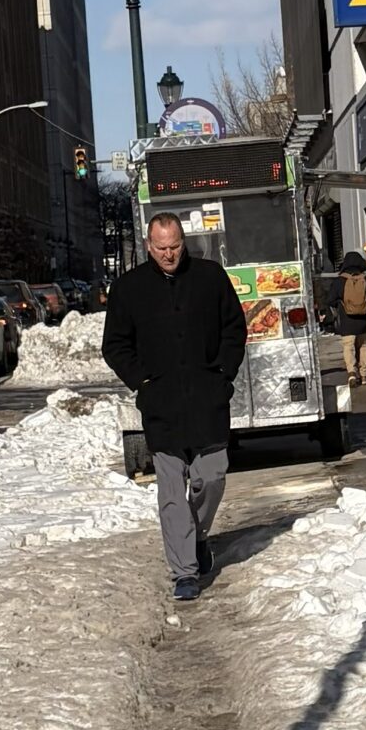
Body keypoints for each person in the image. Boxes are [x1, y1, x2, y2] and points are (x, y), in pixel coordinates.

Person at [103, 214, 248, 602]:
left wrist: (223, 373)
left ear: (184, 242)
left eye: (175, 246)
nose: (169, 254)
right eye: (161, 248)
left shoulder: (210, 277)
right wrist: (143, 381)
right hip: (161, 406)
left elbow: (235, 328)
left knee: (211, 477)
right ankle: (184, 572)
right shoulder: (129, 288)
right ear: (148, 245)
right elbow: (114, 345)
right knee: (171, 490)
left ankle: (197, 537)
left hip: (207, 400)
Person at [331, 249, 366, 387]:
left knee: (348, 346)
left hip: (347, 321)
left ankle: (352, 372)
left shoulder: (339, 281)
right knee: (364, 345)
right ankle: (364, 376)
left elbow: (330, 300)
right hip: (364, 320)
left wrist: (341, 307)